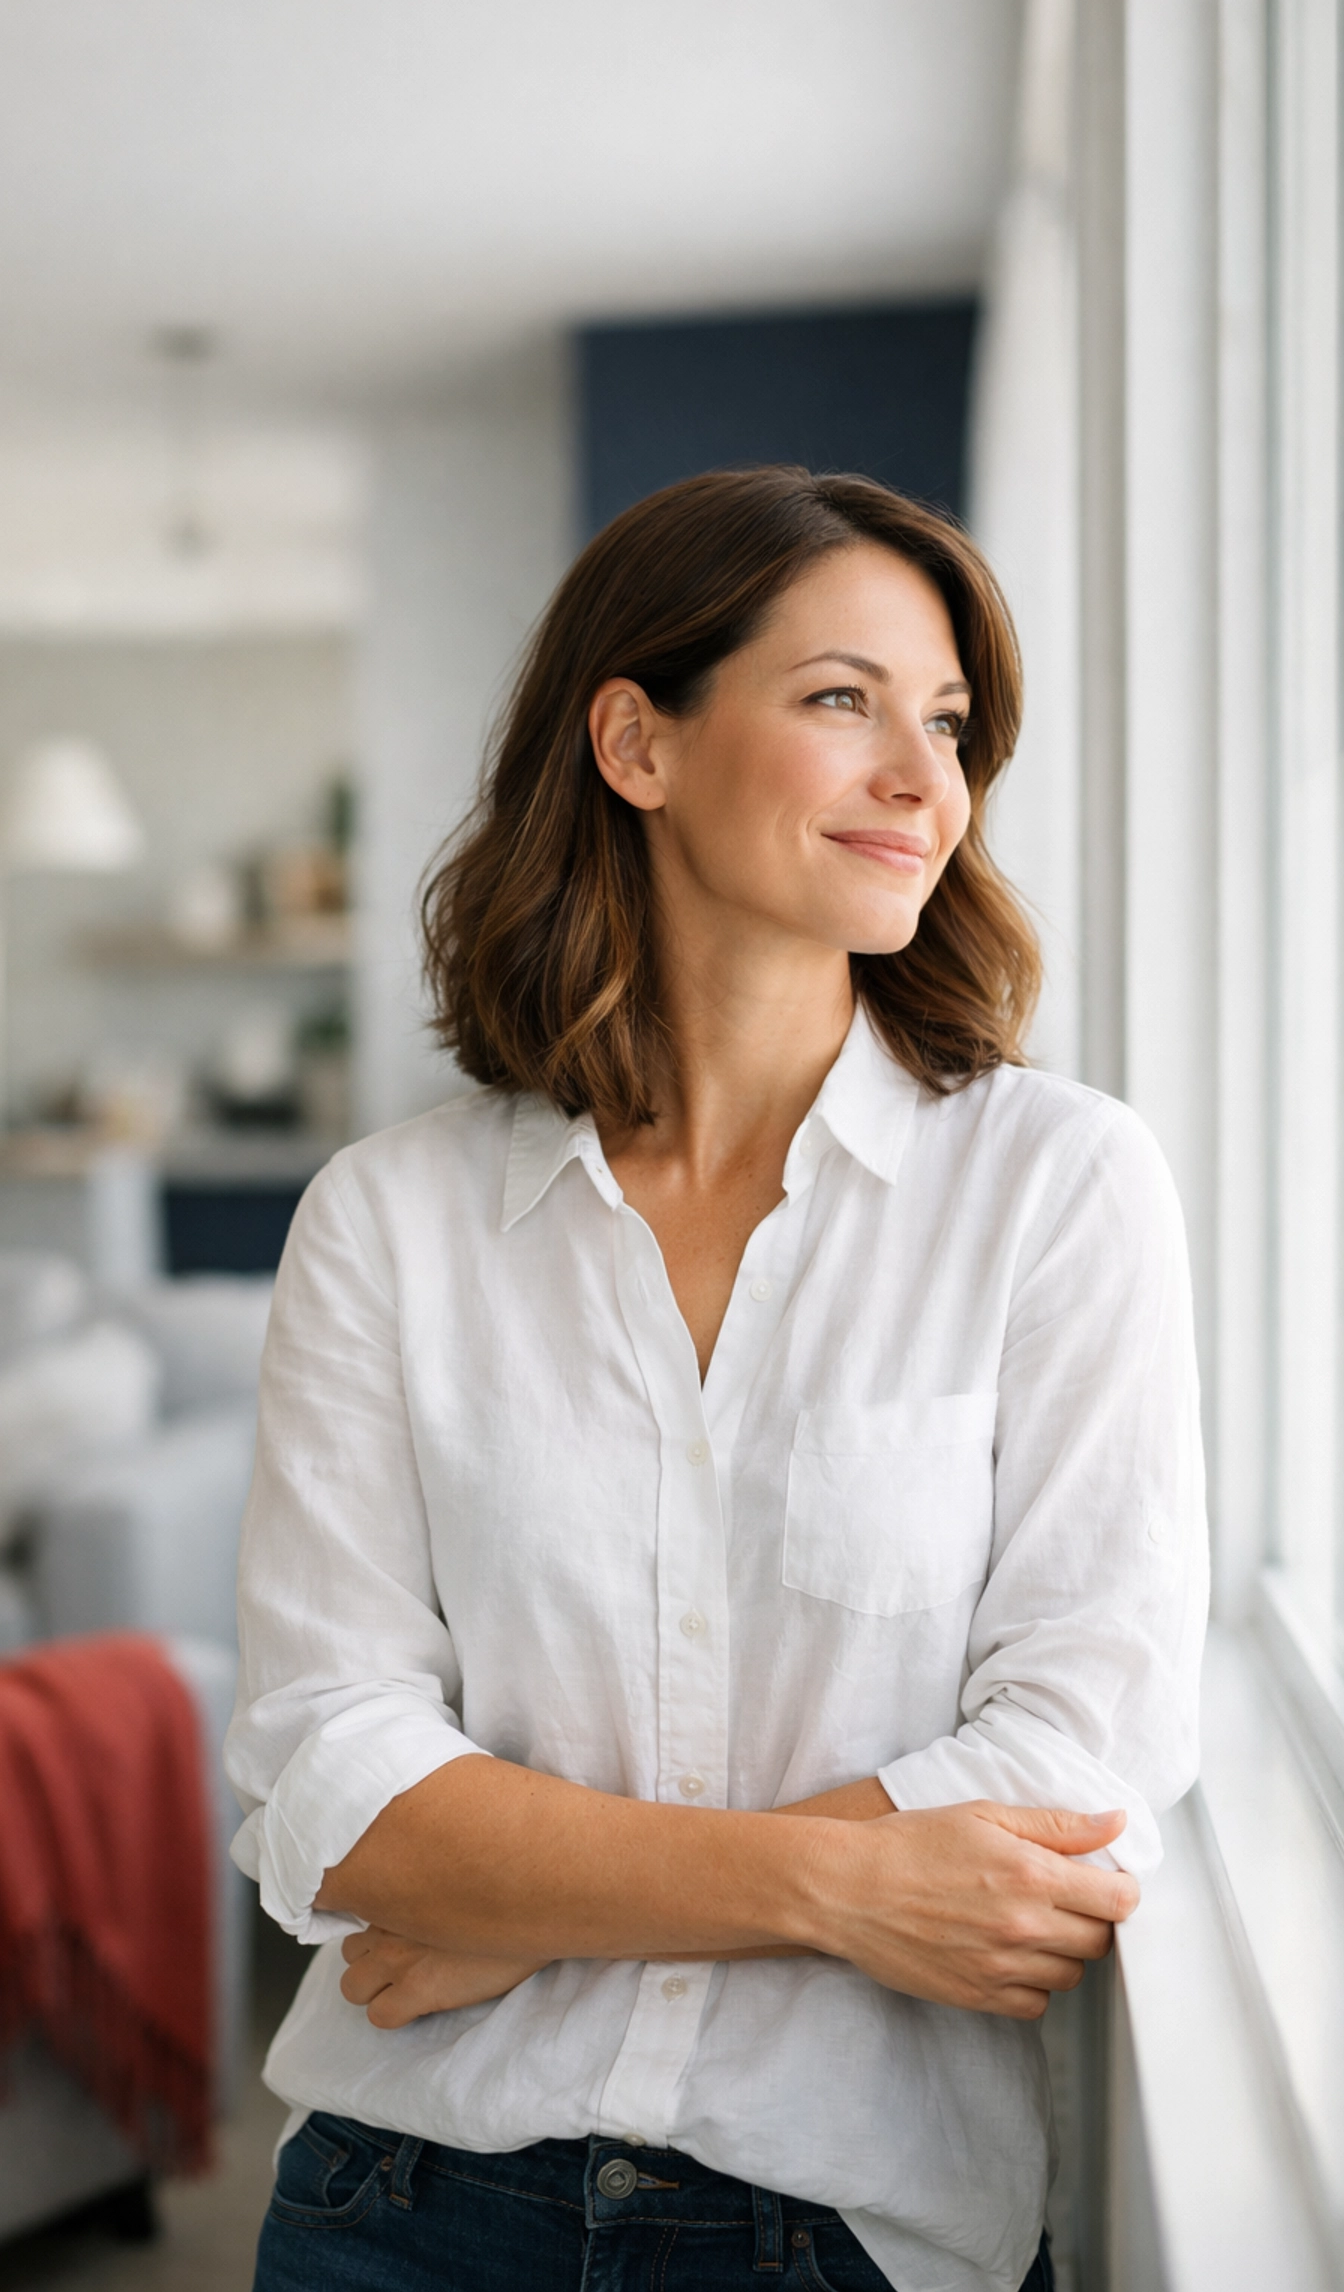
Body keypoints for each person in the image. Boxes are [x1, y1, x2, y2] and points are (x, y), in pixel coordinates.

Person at [225, 468, 1207, 2292]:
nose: (928, 781)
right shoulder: (390, 1220)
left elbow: (1085, 1742)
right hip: (401, 2201)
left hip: (843, 2227)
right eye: (845, 701)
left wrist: (517, 1910)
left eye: (951, 723)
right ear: (637, 741)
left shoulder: (1056, 1188)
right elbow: (330, 1775)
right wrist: (828, 1884)